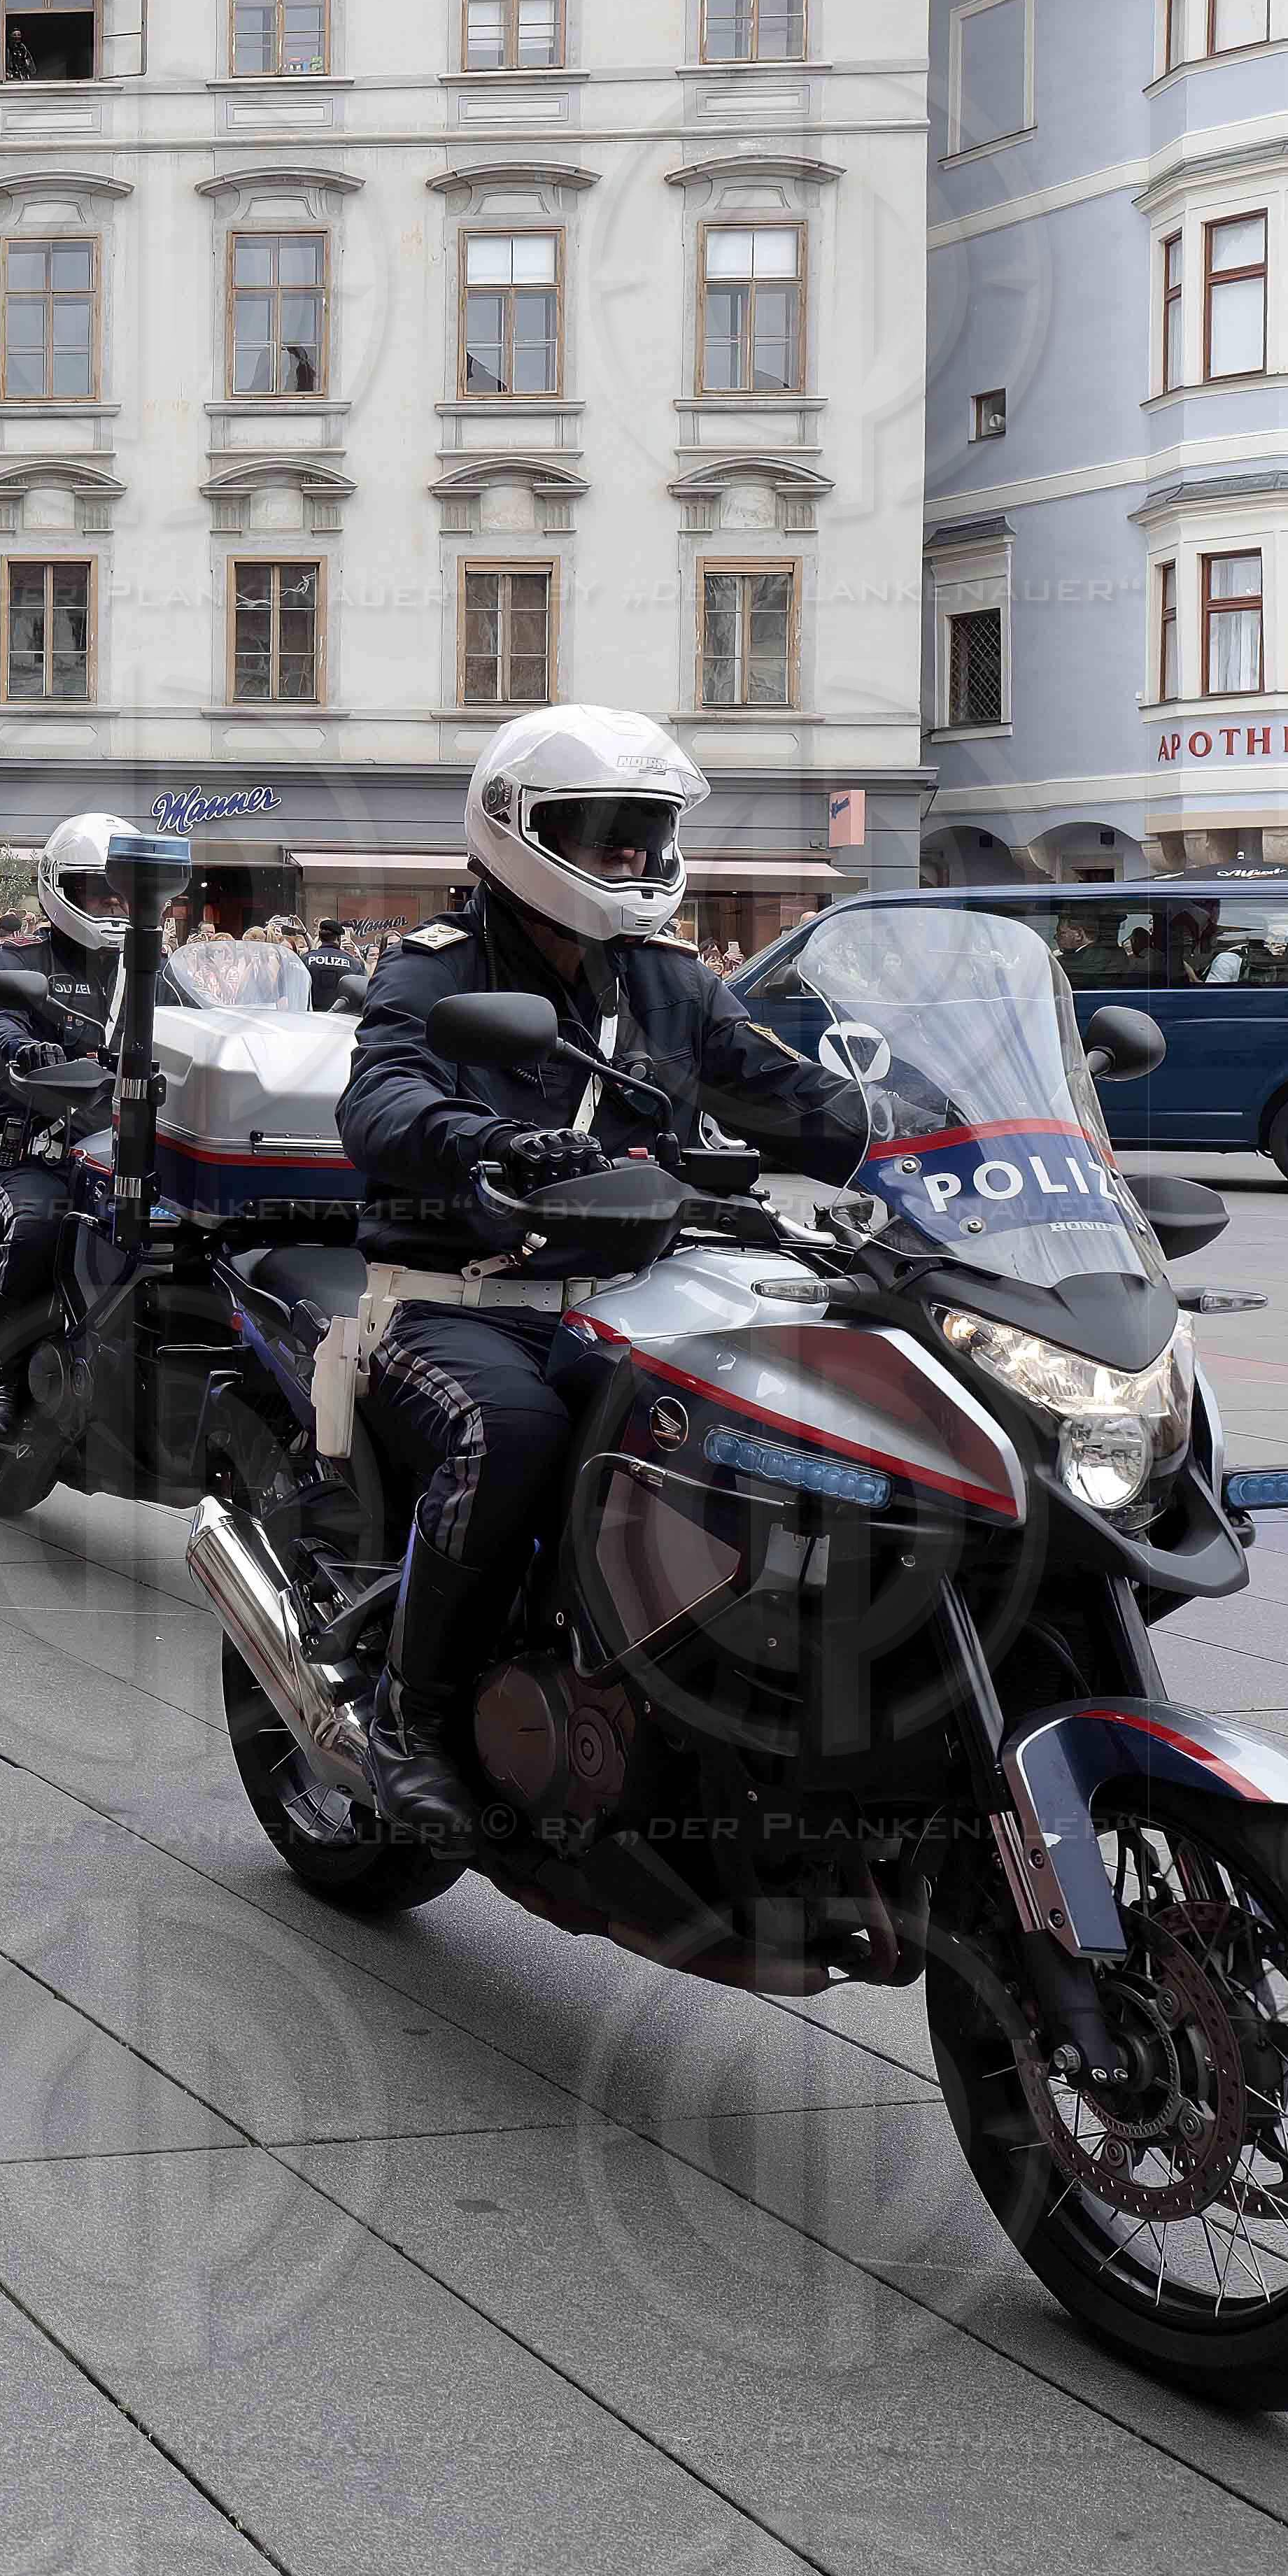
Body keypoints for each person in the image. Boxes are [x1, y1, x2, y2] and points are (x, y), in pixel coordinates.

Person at [339, 705, 875, 1841]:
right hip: (458, 1300)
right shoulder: (433, 969)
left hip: (638, 1302)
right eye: (598, 832)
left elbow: (796, 1098)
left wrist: (935, 1135)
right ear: (516, 830)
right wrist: (481, 1140)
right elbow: (380, 1094)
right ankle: (410, 1720)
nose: (625, 859)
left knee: (805, 1427)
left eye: (640, 833)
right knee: (513, 1436)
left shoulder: (672, 984)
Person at [0, 812, 197, 1448]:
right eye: (98, 893)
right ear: (58, 888)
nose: (111, 906)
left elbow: (209, 1028)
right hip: (39, 1152)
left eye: (120, 893)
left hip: (131, 1151)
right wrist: (23, 1051)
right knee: (41, 1224)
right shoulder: (23, 958)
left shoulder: (154, 968)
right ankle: (7, 1383)